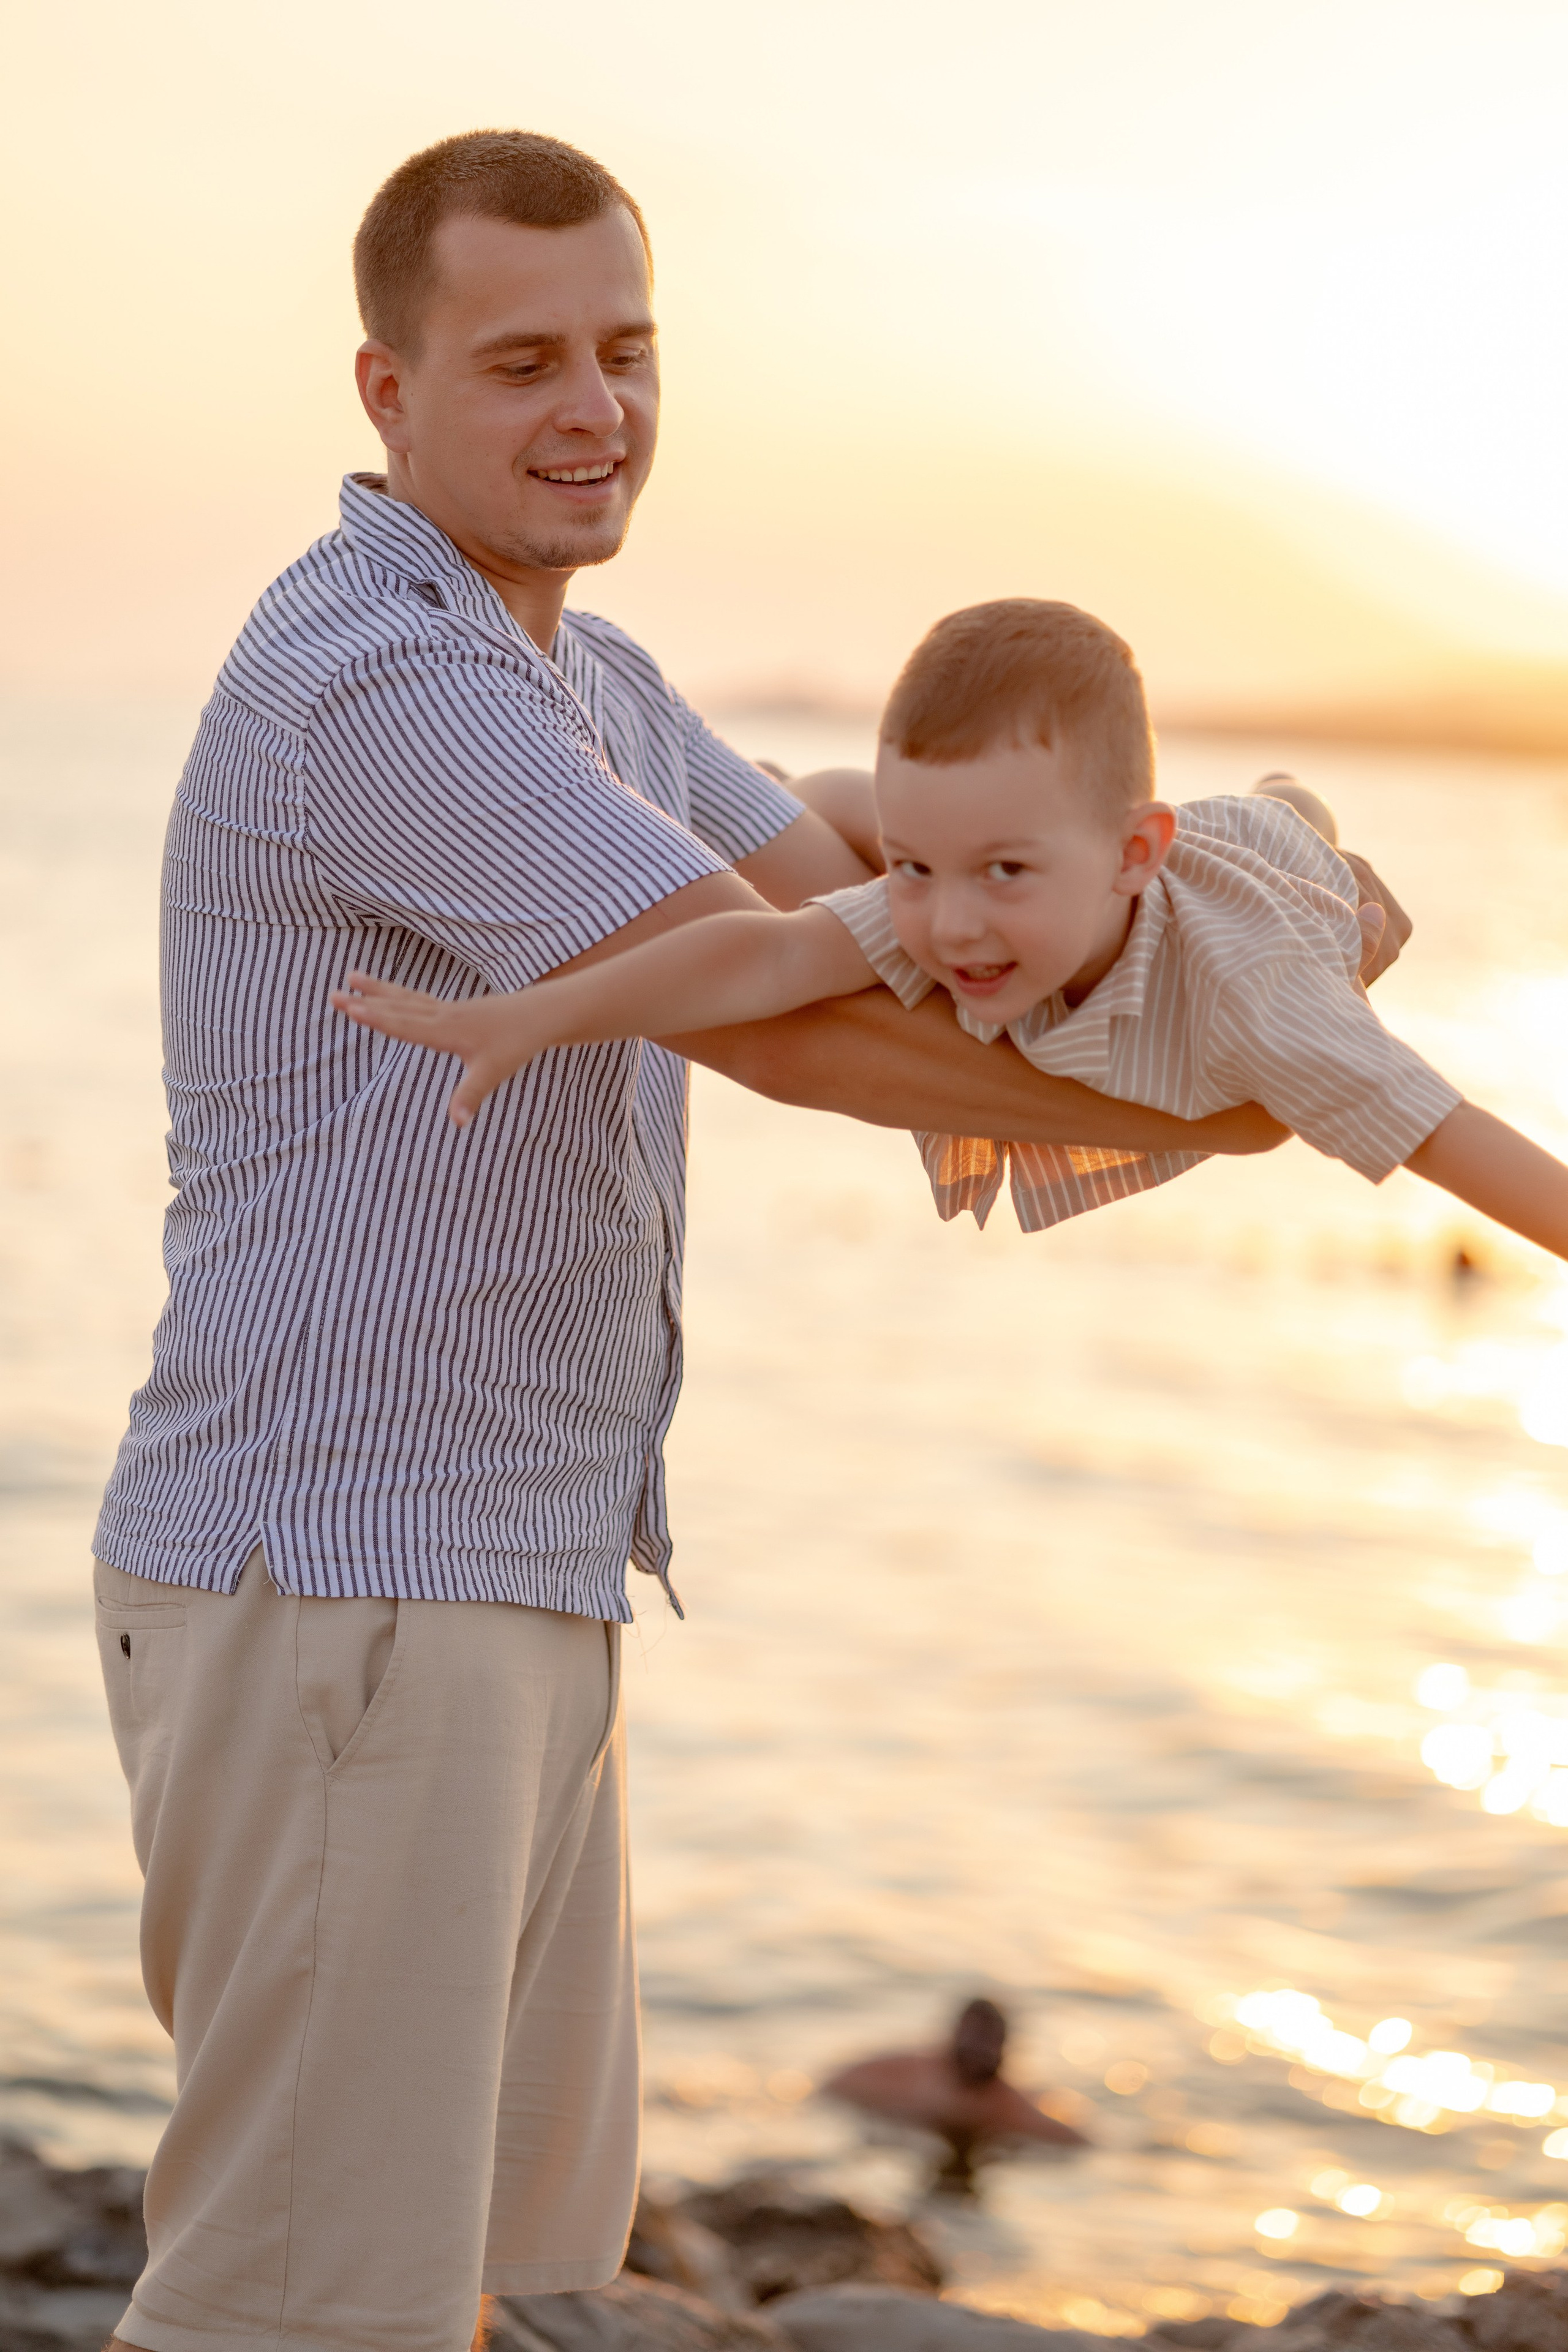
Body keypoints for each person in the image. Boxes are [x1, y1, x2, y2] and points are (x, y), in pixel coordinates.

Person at [91, 130, 1400, 2352]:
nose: (594, 404)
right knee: (301, 2316)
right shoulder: (382, 685)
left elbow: (854, 886)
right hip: (349, 1588)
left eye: (626, 348)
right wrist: (1281, 1105)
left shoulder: (584, 678)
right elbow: (791, 1018)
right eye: (521, 362)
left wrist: (1161, 895)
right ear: (384, 395)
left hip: (509, 1567)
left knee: (499, 2288)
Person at [333, 597, 1568, 1262]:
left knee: (1276, 819)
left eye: (998, 874)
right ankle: (825, 800)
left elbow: (1459, 1141)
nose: (951, 925)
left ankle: (1286, 801)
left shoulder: (1263, 1003)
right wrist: (529, 1016)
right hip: (1123, 858)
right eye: (918, 867)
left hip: (1261, 880)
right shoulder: (961, 905)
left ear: (1130, 860)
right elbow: (760, 958)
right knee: (846, 867)